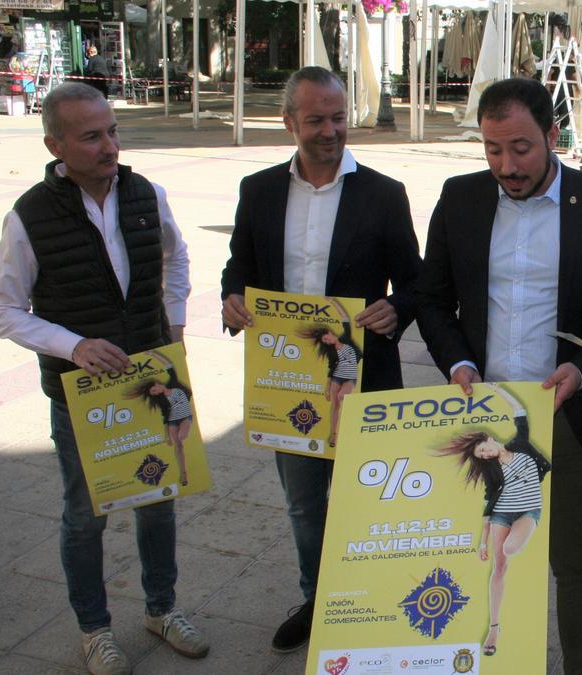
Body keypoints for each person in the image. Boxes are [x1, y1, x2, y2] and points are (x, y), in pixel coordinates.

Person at [416, 77, 582, 674]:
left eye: (521, 148)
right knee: (478, 551)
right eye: (492, 149)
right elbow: (432, 298)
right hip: (482, 414)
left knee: (576, 561)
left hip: (566, 413)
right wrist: (458, 361)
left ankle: (581, 666)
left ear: (553, 135)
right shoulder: (461, 198)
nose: (506, 165)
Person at [0, 82, 208, 675]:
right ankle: (95, 628)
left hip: (153, 380)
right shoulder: (29, 215)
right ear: (56, 145)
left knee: (158, 501)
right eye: (91, 137)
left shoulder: (144, 193)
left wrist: (175, 319)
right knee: (87, 513)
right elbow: (0, 309)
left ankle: (162, 608)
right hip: (83, 398)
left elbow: (176, 256)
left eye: (112, 131)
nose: (109, 146)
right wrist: (72, 345)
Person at [219, 66, 422, 654]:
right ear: (290, 123)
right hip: (287, 381)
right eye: (316, 120)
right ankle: (317, 603)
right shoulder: (258, 190)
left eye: (338, 118)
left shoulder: (384, 194)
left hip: (364, 376)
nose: (330, 131)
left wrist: (394, 309)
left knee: (366, 500)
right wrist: (232, 299)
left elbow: (414, 280)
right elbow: (240, 267)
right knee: (304, 504)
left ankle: (369, 606)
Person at [437, 382, 551, 658]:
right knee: (499, 566)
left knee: (511, 549)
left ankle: (498, 621)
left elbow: (519, 410)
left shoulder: (520, 443)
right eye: (482, 456)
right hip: (502, 513)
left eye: (485, 449)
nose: (487, 455)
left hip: (527, 511)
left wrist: (497, 389)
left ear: (489, 439)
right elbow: (489, 505)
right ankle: (494, 628)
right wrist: (482, 542)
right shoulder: (491, 472)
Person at [294, 298, 362, 448]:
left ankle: (347, 429)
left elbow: (345, 318)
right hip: (337, 377)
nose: (327, 341)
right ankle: (334, 434)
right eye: (324, 341)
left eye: (326, 338)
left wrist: (333, 302)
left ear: (330, 333)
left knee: (342, 397)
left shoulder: (346, 338)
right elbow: (331, 369)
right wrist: (326, 387)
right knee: (335, 404)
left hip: (350, 377)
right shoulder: (331, 352)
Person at [126, 366, 195, 486]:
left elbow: (171, 368)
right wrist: (166, 435)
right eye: (153, 394)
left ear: (156, 384)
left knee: (181, 437)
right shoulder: (162, 401)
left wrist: (154, 354)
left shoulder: (173, 383)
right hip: (172, 420)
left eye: (154, 390)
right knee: (178, 445)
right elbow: (165, 417)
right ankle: (183, 474)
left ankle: (184, 472)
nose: (155, 393)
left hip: (185, 417)